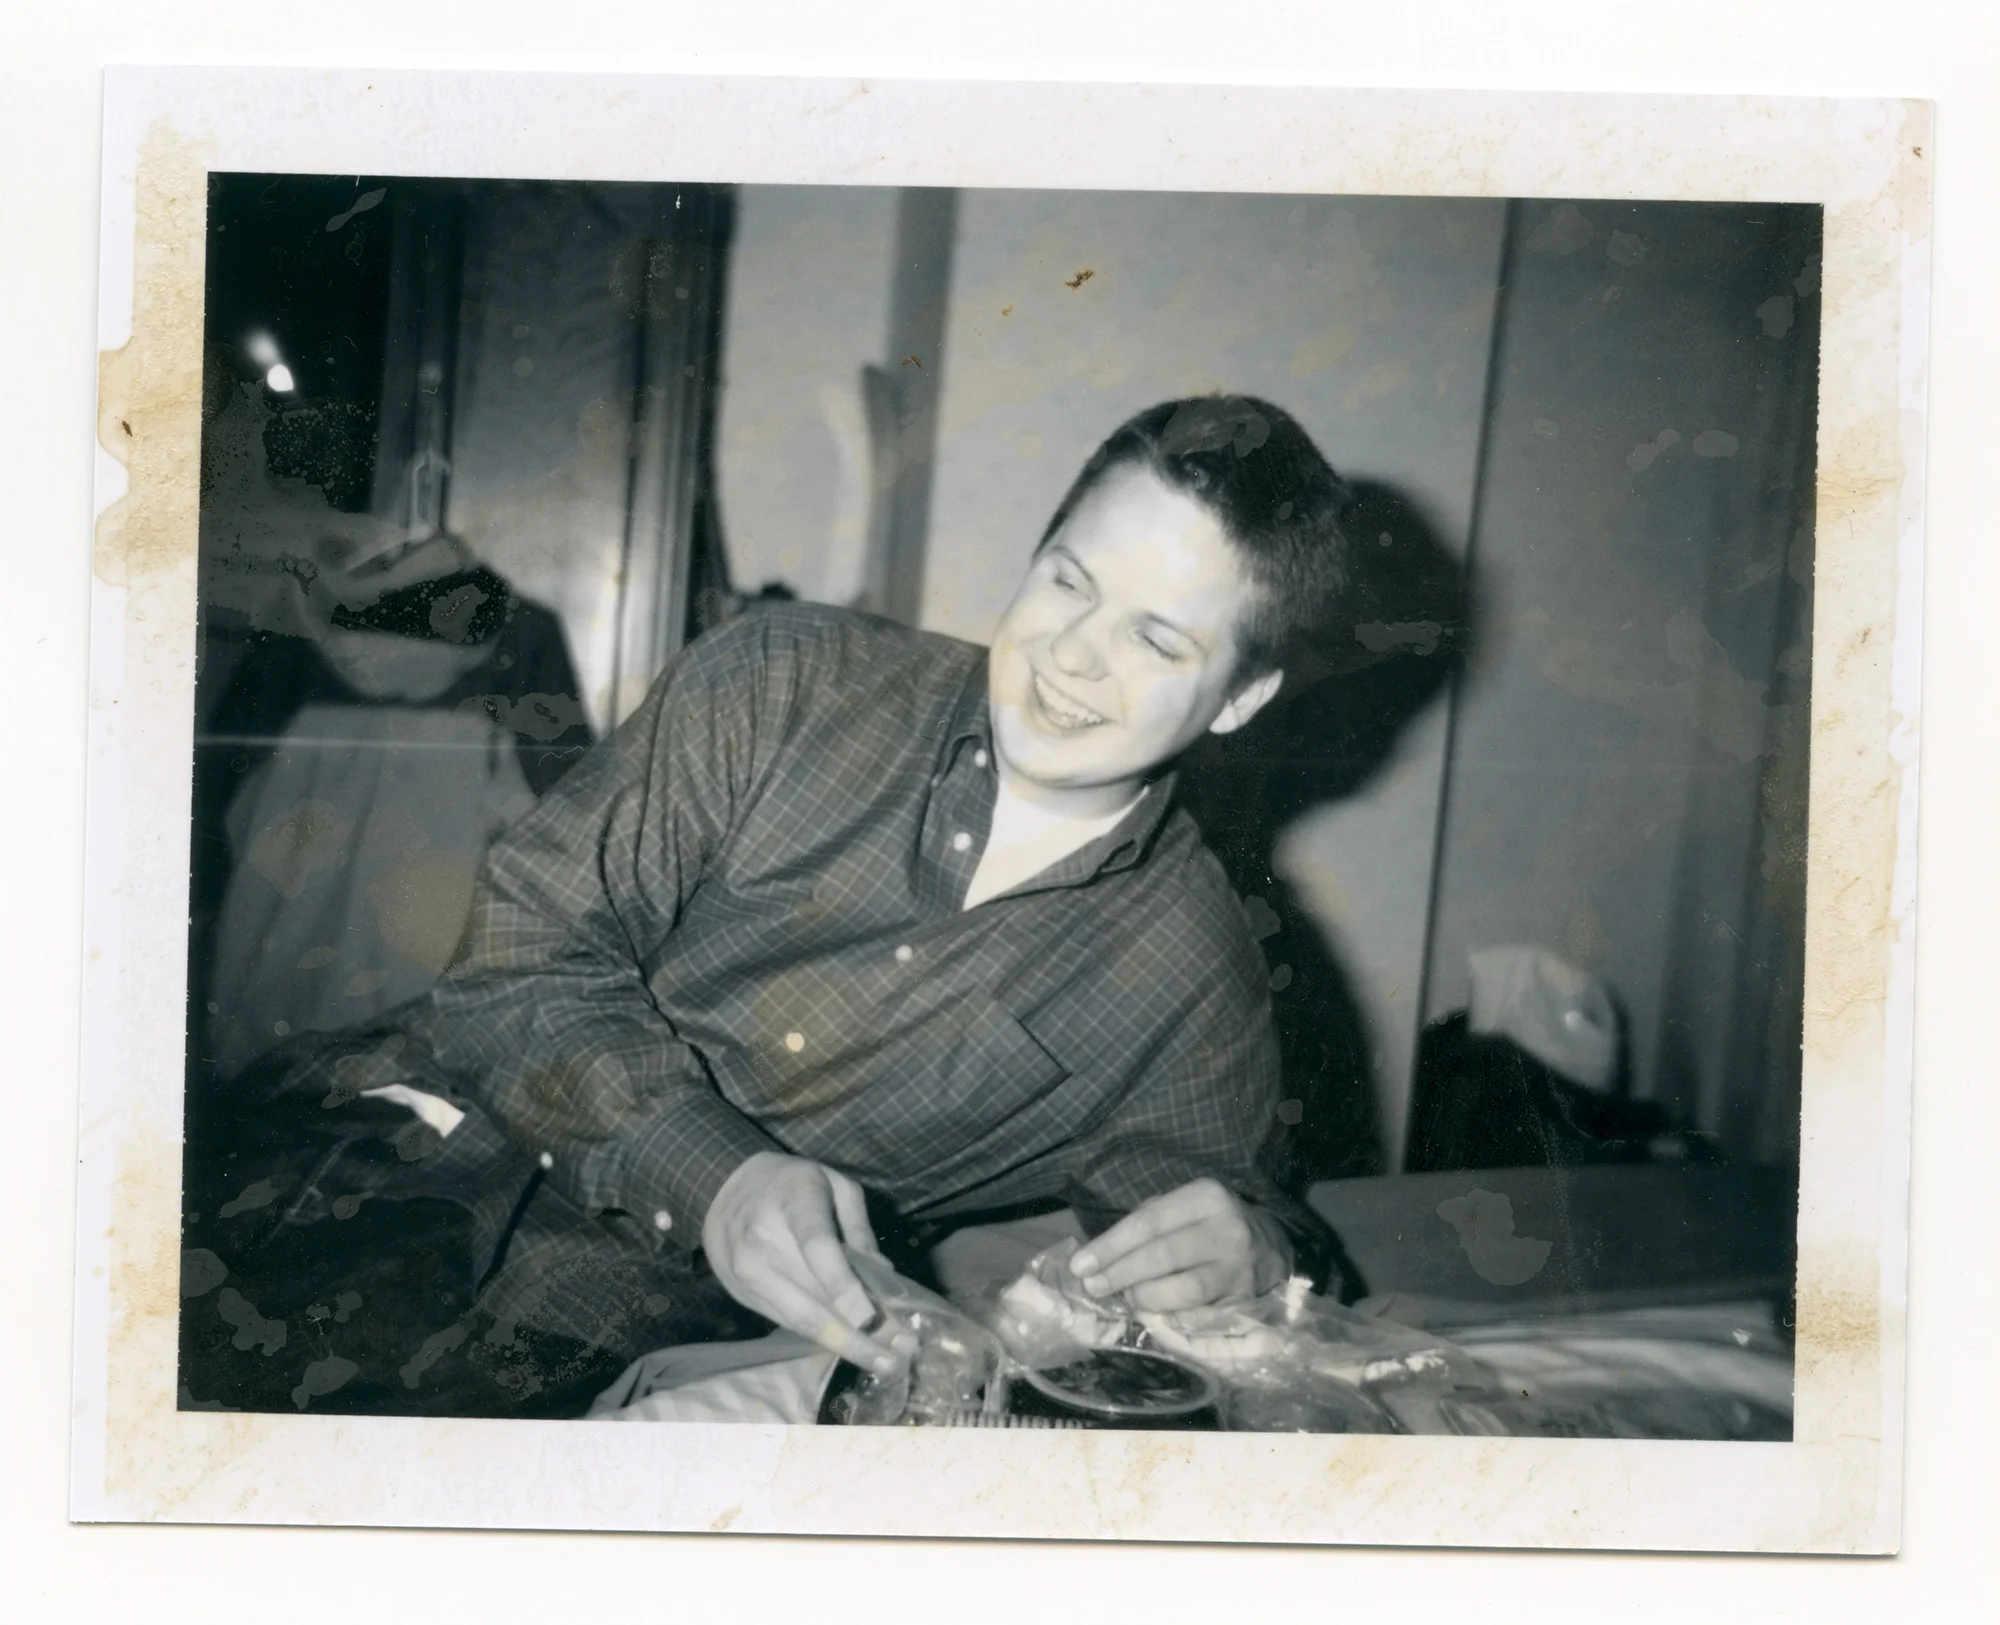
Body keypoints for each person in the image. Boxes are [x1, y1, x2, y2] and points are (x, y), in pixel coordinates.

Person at [181, 392, 1360, 1417]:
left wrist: (1250, 1248)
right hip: (370, 1169)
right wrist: (719, 1176)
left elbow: (1240, 1208)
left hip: (601, 1353)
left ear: (1239, 697)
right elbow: (515, 955)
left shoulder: (1186, 967)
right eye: (1068, 579)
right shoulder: (779, 680)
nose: (1074, 655)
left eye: (1155, 639)